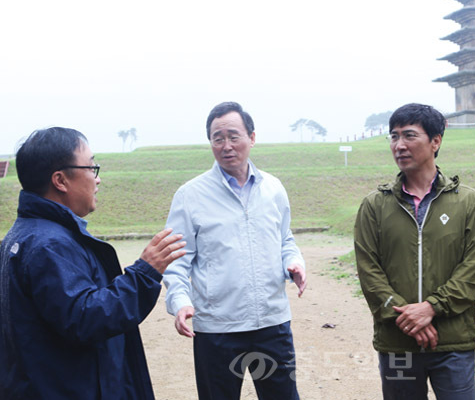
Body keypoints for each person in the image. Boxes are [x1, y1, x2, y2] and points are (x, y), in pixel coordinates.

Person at [0, 127, 186, 400]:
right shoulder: (49, 245)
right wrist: (144, 272)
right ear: (60, 180)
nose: (97, 179)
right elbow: (85, 319)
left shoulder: (21, 236)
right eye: (91, 167)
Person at [163, 101, 306, 400]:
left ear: (252, 138)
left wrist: (293, 263)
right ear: (210, 143)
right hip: (217, 329)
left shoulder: (273, 188)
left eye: (233, 136)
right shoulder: (190, 196)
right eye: (218, 138)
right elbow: (177, 260)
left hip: (272, 322)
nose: (226, 145)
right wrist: (180, 301)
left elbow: (285, 239)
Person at [354, 103, 475, 400]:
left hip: (452, 342)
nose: (399, 145)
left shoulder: (467, 202)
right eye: (394, 137)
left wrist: (431, 308)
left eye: (409, 136)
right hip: (397, 343)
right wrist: (406, 317)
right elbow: (368, 270)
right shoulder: (375, 205)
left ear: (436, 141)